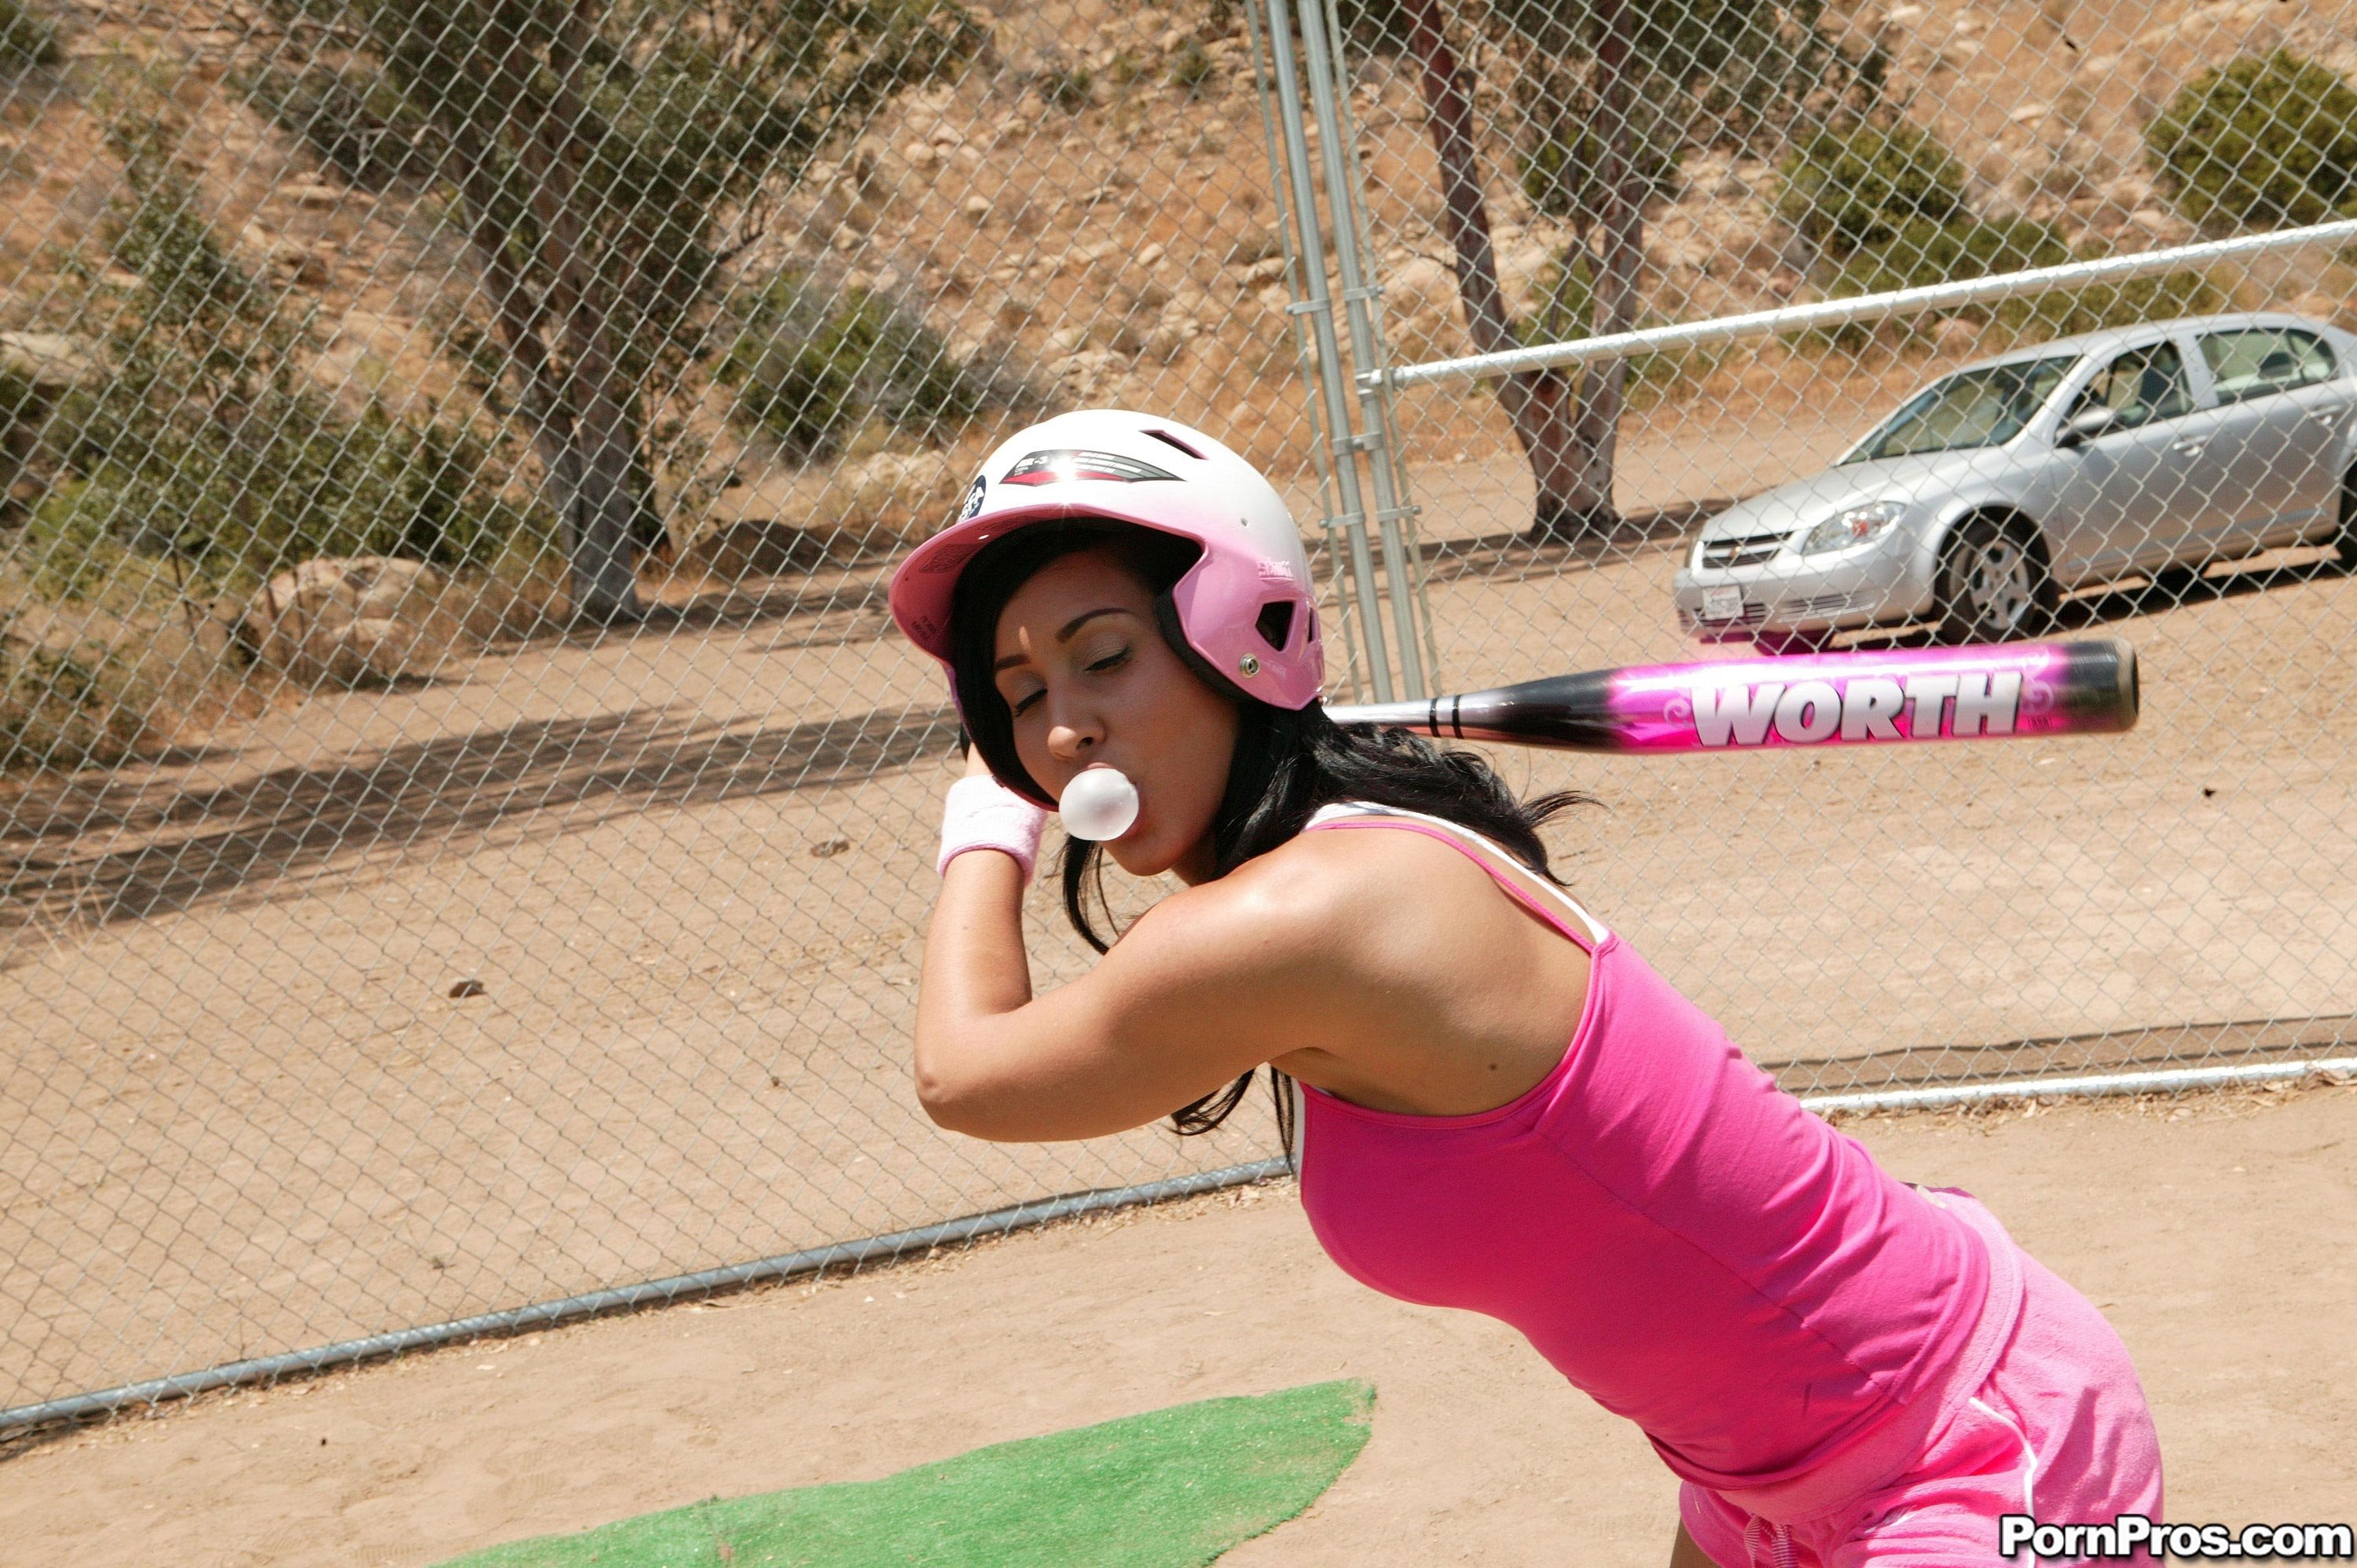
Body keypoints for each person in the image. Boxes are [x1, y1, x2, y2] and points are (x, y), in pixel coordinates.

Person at [887, 409, 2164, 1566]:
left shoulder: (1301, 915)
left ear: (1237, 635)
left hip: (1960, 1437)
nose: (1061, 731)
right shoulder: (1335, 863)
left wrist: (986, 819)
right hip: (1754, 1480)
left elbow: (963, 1073)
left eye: (1104, 657)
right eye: (1021, 697)